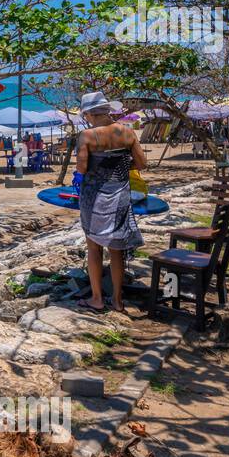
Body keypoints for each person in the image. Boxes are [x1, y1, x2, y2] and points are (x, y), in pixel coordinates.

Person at [74, 92, 147, 314]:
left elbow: (82, 169)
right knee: (117, 250)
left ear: (88, 114)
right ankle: (117, 300)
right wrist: (120, 166)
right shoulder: (127, 132)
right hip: (120, 195)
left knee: (94, 247)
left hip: (94, 197)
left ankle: (97, 298)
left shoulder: (86, 135)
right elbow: (142, 163)